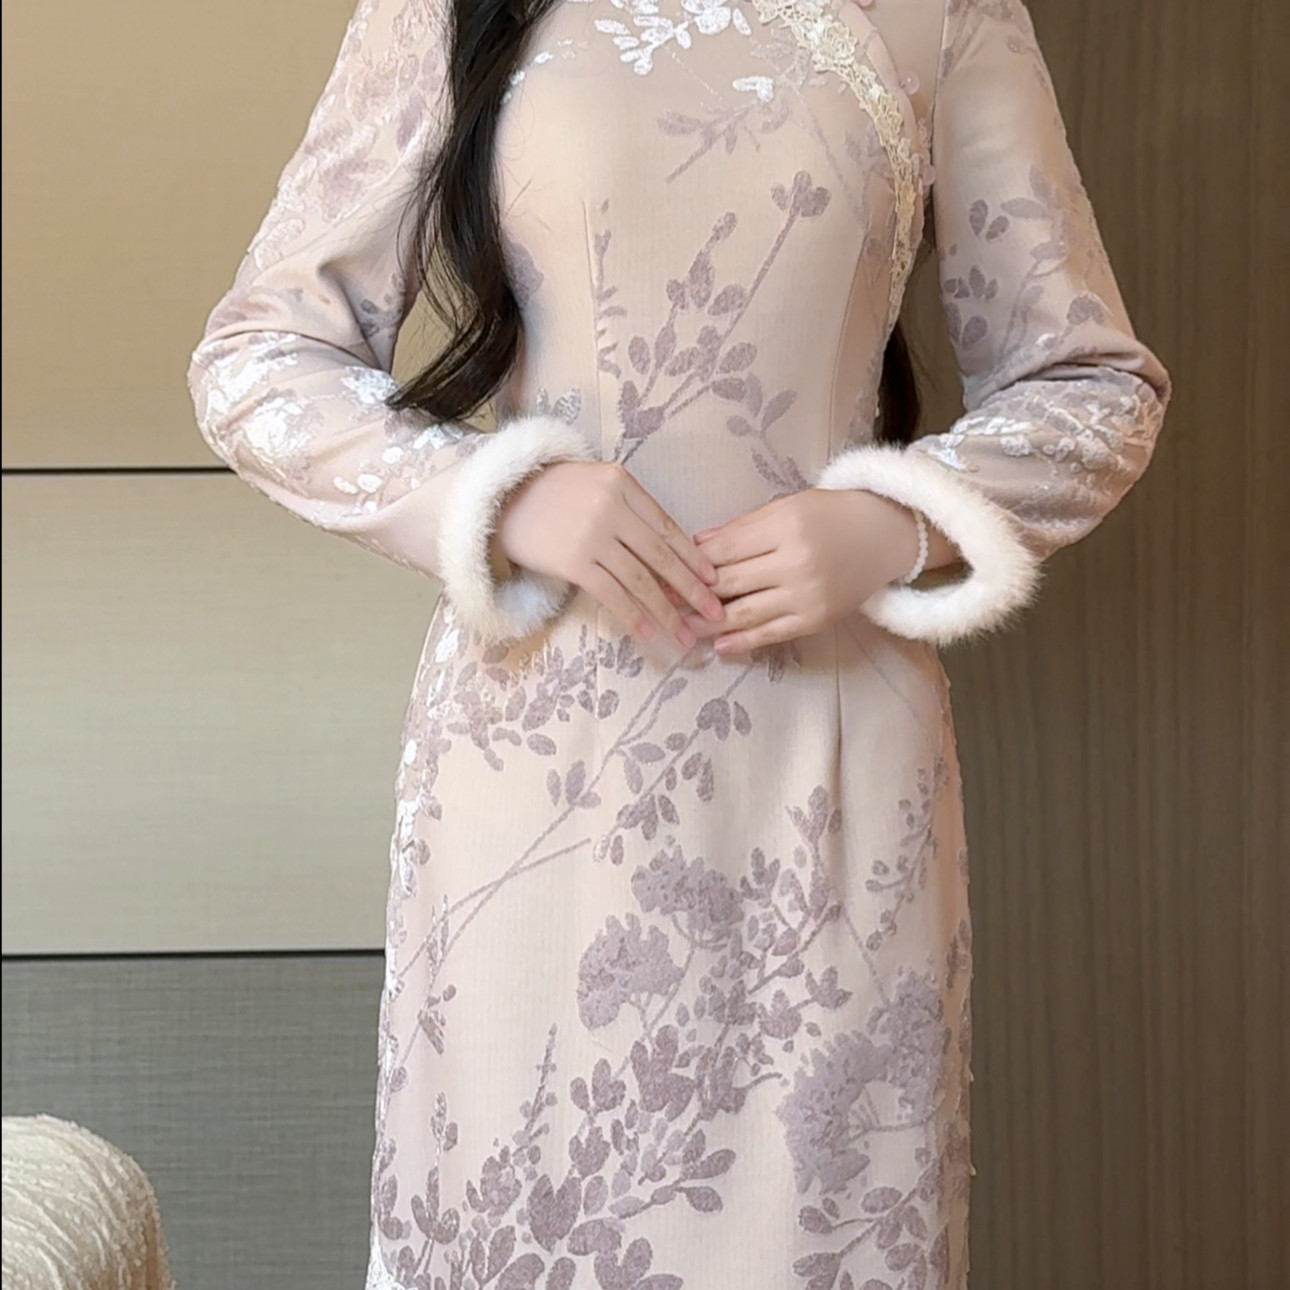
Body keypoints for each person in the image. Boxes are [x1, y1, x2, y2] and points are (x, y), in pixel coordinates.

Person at [188, 0, 1169, 1285]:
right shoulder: (440, 10)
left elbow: (1091, 384)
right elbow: (261, 359)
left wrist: (894, 520)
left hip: (824, 767)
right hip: (538, 769)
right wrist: (501, 495)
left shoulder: (948, 13)